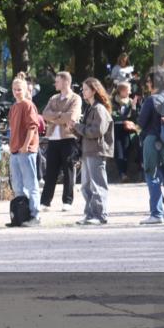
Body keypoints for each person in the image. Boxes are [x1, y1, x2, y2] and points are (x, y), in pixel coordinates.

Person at [138, 68, 164, 224]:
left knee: (152, 176)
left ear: (153, 82)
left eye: (148, 81)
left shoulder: (151, 100)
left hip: (152, 140)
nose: (147, 84)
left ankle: (156, 214)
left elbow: (141, 122)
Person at [40, 71, 82, 212]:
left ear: (65, 82)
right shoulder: (53, 98)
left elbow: (72, 116)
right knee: (50, 171)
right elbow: (45, 114)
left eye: (57, 81)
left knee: (68, 170)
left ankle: (67, 201)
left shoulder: (75, 98)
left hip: (68, 138)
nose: (55, 83)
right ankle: (45, 202)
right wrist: (60, 116)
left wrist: (55, 117)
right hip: (53, 139)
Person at [74, 79, 114, 225]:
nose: (83, 92)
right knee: (85, 186)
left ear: (94, 91)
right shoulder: (90, 108)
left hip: (96, 151)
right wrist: (75, 127)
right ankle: (90, 214)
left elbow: (97, 131)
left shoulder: (99, 109)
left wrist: (78, 127)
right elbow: (87, 131)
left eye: (85, 89)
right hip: (87, 151)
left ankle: (100, 214)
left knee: (97, 184)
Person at [6, 77, 42, 227]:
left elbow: (33, 127)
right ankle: (21, 214)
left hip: (25, 150)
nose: (16, 92)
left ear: (27, 90)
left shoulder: (28, 105)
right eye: (14, 89)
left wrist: (26, 145)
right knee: (17, 184)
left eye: (19, 89)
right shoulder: (14, 106)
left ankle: (35, 215)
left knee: (31, 183)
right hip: (15, 150)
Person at [111, 81, 140, 182]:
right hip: (116, 128)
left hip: (128, 129)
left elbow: (134, 117)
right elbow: (114, 117)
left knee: (127, 149)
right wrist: (126, 116)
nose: (130, 92)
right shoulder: (113, 101)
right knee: (119, 151)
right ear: (122, 91)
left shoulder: (130, 101)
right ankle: (122, 173)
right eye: (128, 90)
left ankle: (125, 172)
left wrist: (134, 107)